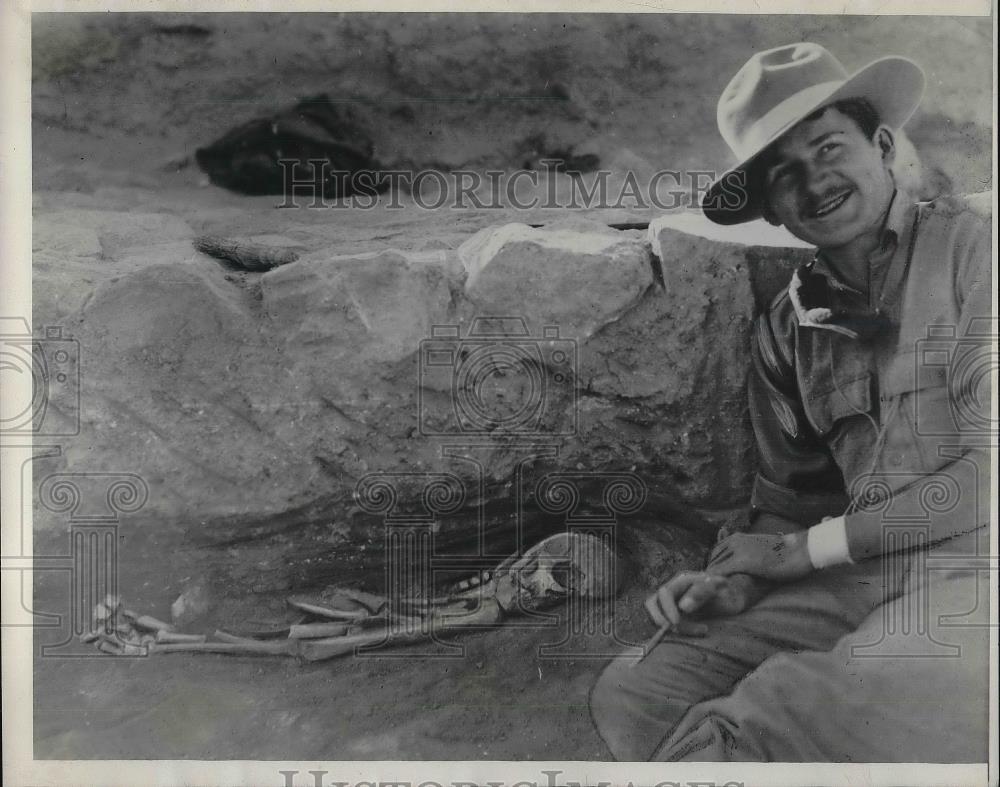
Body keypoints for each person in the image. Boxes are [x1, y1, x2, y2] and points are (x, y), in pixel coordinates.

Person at [589, 42, 992, 762]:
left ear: (883, 145)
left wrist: (800, 551)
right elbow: (788, 503)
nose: (815, 181)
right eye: (784, 174)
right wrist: (735, 580)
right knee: (637, 692)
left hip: (981, 570)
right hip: (862, 573)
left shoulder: (977, 254)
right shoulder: (786, 331)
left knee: (790, 706)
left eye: (829, 146)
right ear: (771, 211)